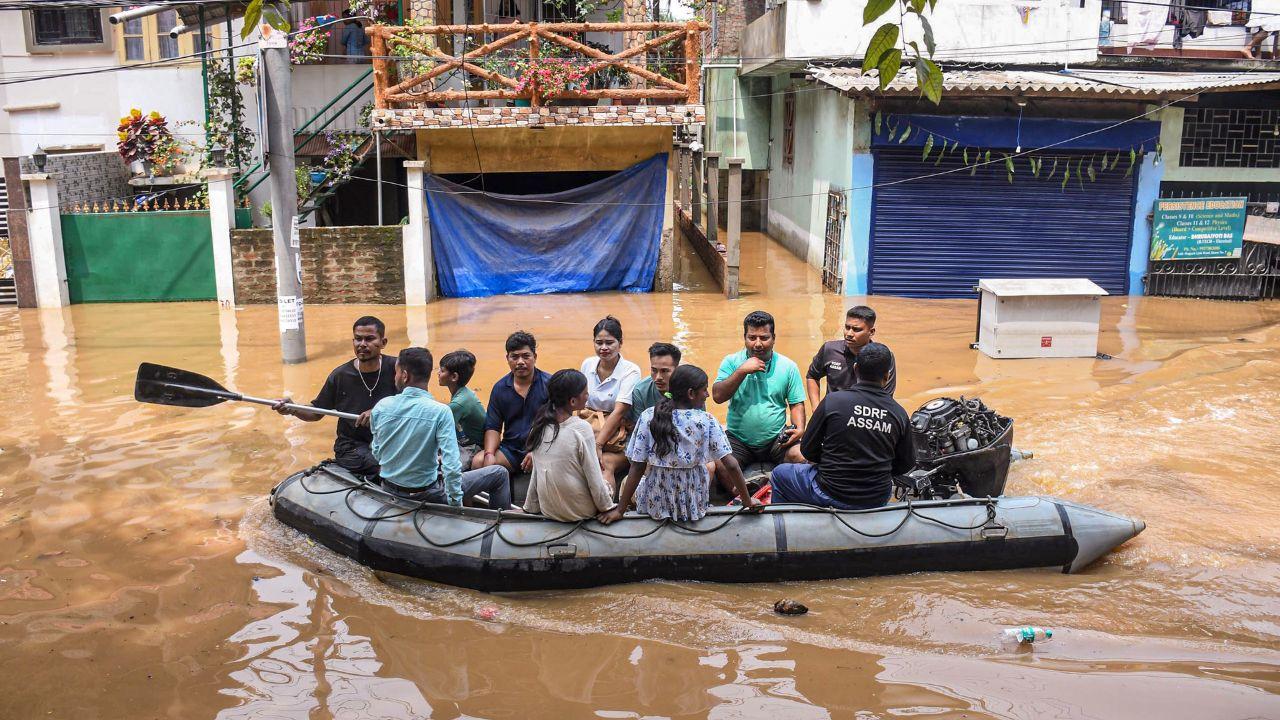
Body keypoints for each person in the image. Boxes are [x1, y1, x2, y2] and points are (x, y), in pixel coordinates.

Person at [599, 365, 761, 524]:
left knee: (628, 481)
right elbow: (731, 465)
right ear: (691, 393)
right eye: (704, 390)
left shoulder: (648, 416)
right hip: (693, 506)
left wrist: (620, 510)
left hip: (655, 505)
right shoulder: (707, 420)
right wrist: (747, 501)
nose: (707, 395)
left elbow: (637, 466)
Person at [771, 343, 913, 510]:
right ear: (887, 376)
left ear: (855, 369)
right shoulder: (899, 414)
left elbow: (808, 449)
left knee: (780, 474)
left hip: (830, 492)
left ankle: (786, 526)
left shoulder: (833, 401)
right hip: (877, 497)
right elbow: (905, 464)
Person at [370, 347, 512, 508]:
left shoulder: (381, 406)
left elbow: (377, 452)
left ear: (404, 375)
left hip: (389, 487)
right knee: (499, 474)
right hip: (427, 493)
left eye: (395, 372)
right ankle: (497, 523)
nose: (394, 377)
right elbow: (451, 467)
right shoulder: (440, 412)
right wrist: (455, 504)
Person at [272, 316, 397, 477]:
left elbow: (416, 401)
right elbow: (316, 413)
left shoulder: (398, 369)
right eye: (358, 339)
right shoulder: (340, 375)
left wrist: (380, 410)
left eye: (369, 339)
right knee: (389, 469)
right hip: (353, 447)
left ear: (383, 342)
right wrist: (292, 409)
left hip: (391, 441)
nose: (362, 344)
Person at [712, 310, 807, 468]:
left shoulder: (788, 366)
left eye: (764, 338)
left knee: (802, 457)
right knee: (720, 463)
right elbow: (717, 396)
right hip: (738, 439)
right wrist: (741, 371)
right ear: (745, 338)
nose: (757, 344)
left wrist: (799, 429)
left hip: (776, 439)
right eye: (752, 338)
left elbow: (796, 404)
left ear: (773, 338)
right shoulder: (731, 362)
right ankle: (742, 492)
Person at [522, 369, 616, 521]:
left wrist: (530, 507)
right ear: (573, 401)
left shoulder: (539, 425)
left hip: (549, 510)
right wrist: (608, 508)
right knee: (606, 476)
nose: (588, 396)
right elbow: (593, 476)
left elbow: (538, 473)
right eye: (585, 393)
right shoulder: (581, 428)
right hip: (579, 512)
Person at [474, 331, 551, 472]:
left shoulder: (550, 384)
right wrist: (489, 453)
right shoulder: (500, 388)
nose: (520, 362)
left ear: (535, 357)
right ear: (507, 358)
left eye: (526, 356)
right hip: (511, 450)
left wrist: (537, 451)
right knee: (479, 462)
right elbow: (493, 427)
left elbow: (558, 425)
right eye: (514, 357)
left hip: (544, 448)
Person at [579, 316, 641, 483]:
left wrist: (597, 445)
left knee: (603, 464)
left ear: (620, 344)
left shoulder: (630, 370)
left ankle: (607, 508)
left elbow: (620, 411)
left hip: (618, 437)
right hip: (590, 429)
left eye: (609, 342)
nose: (604, 348)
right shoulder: (587, 364)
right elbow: (578, 404)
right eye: (599, 343)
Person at [805, 305, 897, 409]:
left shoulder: (882, 357)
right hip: (833, 416)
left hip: (863, 417)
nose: (849, 334)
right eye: (847, 327)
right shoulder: (829, 349)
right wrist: (817, 408)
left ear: (871, 332)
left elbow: (886, 396)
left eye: (856, 329)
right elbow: (812, 376)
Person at [438, 349, 485, 469]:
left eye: (442, 370)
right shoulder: (463, 393)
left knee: (448, 467)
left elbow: (437, 428)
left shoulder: (459, 403)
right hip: (462, 442)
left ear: (454, 377)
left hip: (473, 447)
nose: (438, 373)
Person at [628, 342, 681, 425]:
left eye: (664, 371)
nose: (658, 377)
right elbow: (640, 427)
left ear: (677, 369)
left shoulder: (690, 388)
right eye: (654, 370)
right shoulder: (640, 391)